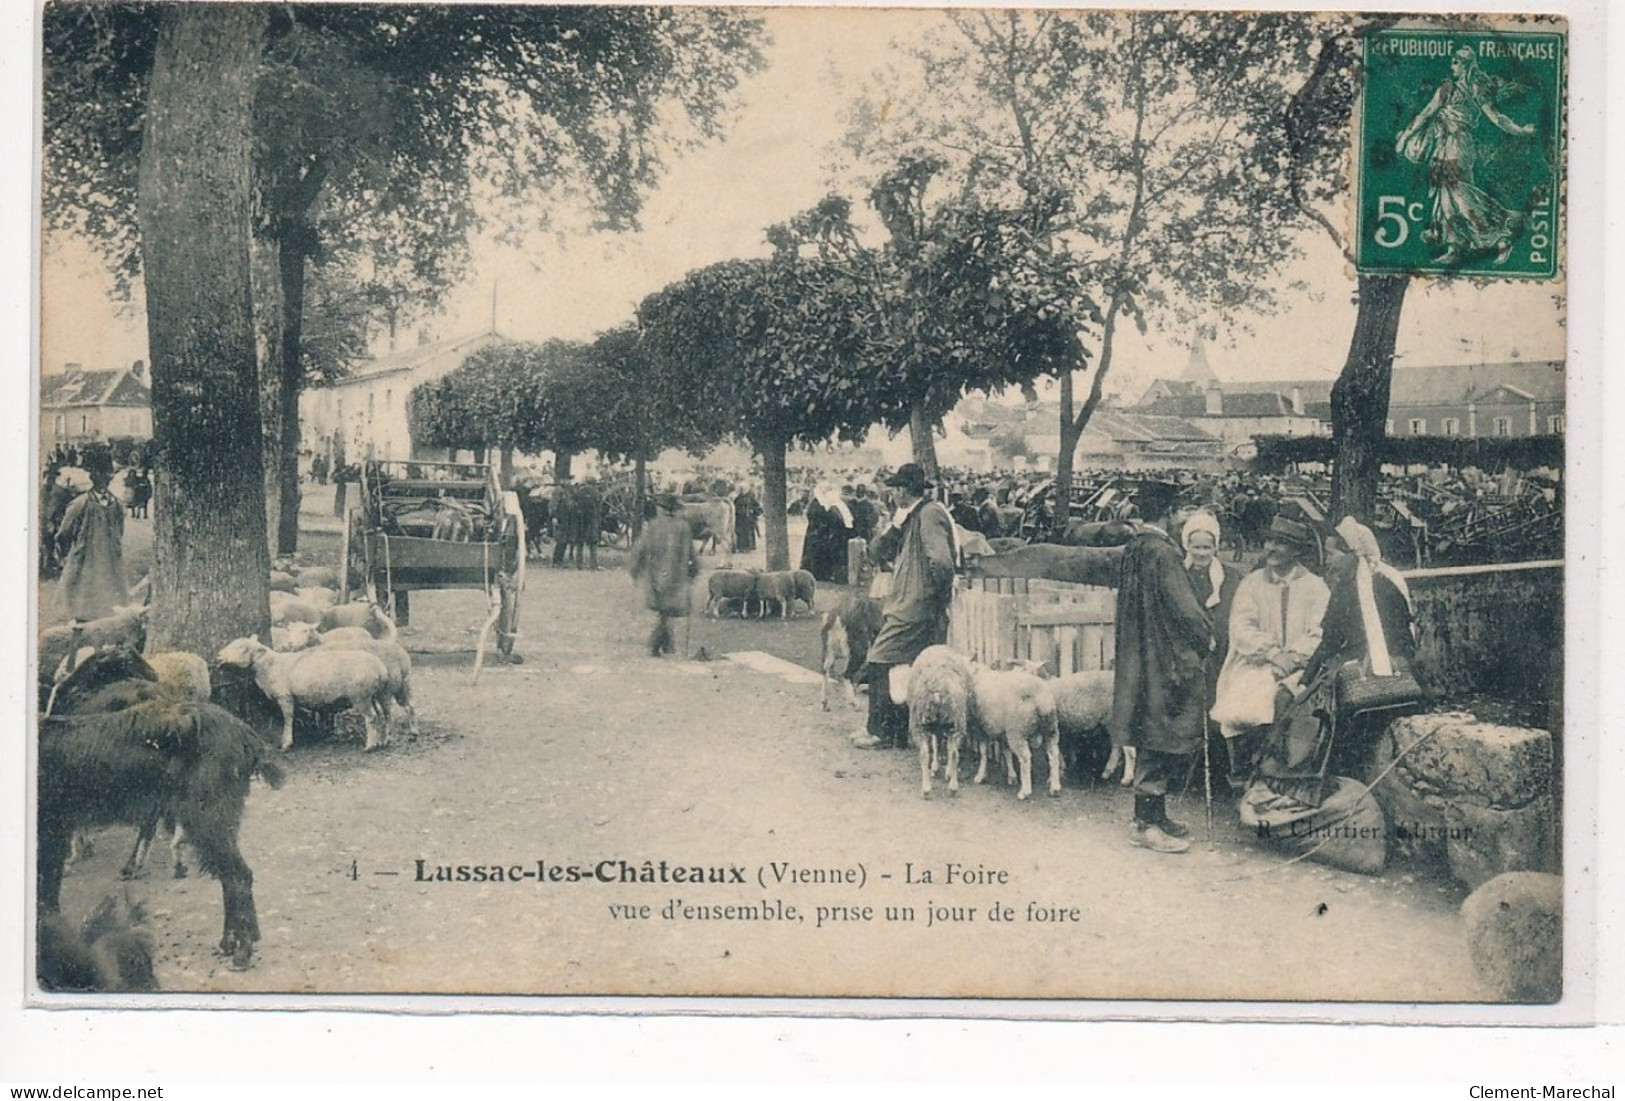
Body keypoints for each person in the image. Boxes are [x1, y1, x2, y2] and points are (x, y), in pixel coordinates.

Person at [1108, 482, 1215, 854]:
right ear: (1168, 514)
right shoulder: (1164, 554)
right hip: (1163, 658)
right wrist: (1206, 636)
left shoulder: (1135, 547)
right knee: (1159, 732)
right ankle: (1145, 823)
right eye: (1178, 512)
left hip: (1139, 654)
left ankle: (1157, 815)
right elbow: (1186, 609)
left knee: (1149, 730)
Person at [1211, 515, 1331, 790]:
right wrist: (1272, 653)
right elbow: (1241, 628)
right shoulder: (1252, 584)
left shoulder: (1315, 587)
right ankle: (1242, 772)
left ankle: (1282, 775)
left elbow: (1319, 632)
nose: (1271, 548)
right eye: (1269, 541)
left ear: (1297, 551)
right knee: (1244, 704)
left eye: (1281, 543)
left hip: (1302, 666)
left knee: (1288, 699)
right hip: (1255, 661)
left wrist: (1292, 658)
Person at [1395, 46, 1538, 266]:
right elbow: (1496, 118)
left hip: (1455, 145)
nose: (1452, 66)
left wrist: (1519, 130)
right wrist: (1521, 131)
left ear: (1465, 65)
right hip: (1448, 146)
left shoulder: (1458, 88)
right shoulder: (1463, 89)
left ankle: (1504, 230)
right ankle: (1456, 247)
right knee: (1447, 198)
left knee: (1457, 193)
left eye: (1455, 62)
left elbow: (1494, 117)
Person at [851, 463, 957, 751]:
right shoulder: (910, 517)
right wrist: (895, 526)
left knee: (880, 658)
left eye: (895, 488)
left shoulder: (930, 514)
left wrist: (936, 597)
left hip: (916, 606)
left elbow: (943, 561)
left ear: (903, 490)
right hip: (909, 604)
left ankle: (880, 732)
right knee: (900, 666)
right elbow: (877, 552)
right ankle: (899, 733)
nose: (892, 493)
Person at [1302, 516, 1420, 776]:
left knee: (1317, 706)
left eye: (1332, 553)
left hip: (1370, 669)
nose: (1327, 560)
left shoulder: (1357, 587)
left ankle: (1333, 773)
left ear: (1352, 554)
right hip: (1383, 661)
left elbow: (1329, 642)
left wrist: (1305, 679)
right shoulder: (1379, 581)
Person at [1180, 508, 1243, 788]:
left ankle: (1215, 774)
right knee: (1186, 710)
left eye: (1207, 546)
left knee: (1216, 710)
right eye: (1196, 546)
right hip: (1186, 654)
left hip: (1220, 655)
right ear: (1187, 546)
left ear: (1216, 546)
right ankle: (1184, 773)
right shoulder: (1179, 576)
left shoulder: (1230, 577)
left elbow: (1238, 612)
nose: (1202, 553)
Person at [54, 451, 128, 623]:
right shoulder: (81, 503)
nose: (105, 478)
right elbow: (64, 534)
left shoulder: (116, 505)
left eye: (108, 474)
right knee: (83, 609)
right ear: (93, 476)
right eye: (101, 474)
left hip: (110, 563)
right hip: (85, 562)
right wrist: (68, 556)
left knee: (109, 608)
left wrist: (113, 548)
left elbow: (119, 532)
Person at [629, 493, 699, 658]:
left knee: (664, 610)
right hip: (676, 575)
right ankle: (666, 644)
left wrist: (634, 569)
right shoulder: (683, 527)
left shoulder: (653, 526)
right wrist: (693, 570)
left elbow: (640, 548)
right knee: (667, 610)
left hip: (655, 574)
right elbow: (691, 553)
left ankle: (657, 643)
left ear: (661, 509)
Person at [799, 483, 853, 584]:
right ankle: (817, 573)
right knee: (815, 553)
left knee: (820, 554)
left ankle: (821, 573)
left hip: (820, 532)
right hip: (817, 532)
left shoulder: (821, 503)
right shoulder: (817, 503)